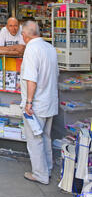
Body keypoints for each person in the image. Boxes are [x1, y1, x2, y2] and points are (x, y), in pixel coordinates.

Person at [20, 20, 59, 185]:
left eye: (22, 33)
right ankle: (47, 168)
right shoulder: (49, 47)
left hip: (36, 104)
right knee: (45, 137)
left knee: (35, 140)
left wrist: (28, 103)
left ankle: (40, 174)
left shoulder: (31, 49)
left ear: (26, 35)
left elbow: (31, 79)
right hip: (50, 100)